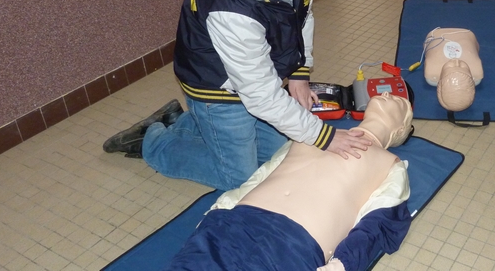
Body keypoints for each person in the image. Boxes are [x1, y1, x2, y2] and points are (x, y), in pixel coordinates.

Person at [103, 0, 371, 191]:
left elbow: (300, 18)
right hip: (216, 91)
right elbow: (261, 96)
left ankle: (186, 121)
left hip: (250, 78)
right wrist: (325, 137)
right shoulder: (232, 13)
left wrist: (299, 72)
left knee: (277, 158)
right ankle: (152, 140)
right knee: (241, 179)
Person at [164, 92, 415, 271]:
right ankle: (158, 135)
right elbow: (264, 175)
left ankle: (161, 135)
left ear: (400, 131)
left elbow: (378, 224)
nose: (388, 94)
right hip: (233, 225)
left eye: (400, 102)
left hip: (292, 246)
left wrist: (342, 264)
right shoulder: (314, 131)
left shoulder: (391, 166)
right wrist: (220, 209)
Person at [422, 28, 482, 111]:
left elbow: (427, 49)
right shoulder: (475, 67)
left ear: (440, 84)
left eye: (450, 67)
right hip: (466, 35)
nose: (456, 61)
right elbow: (476, 46)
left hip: (436, 35)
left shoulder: (432, 67)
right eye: (462, 67)